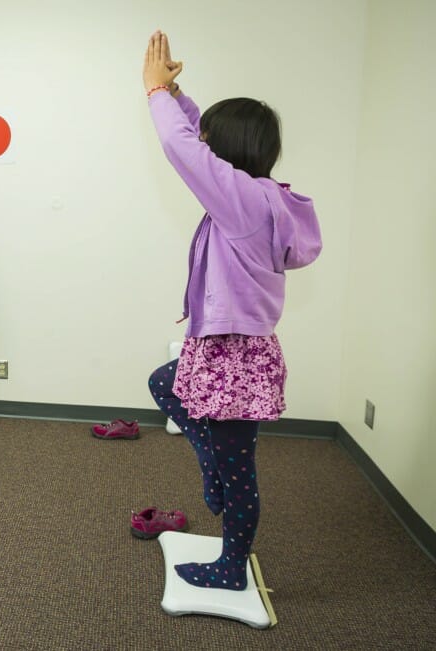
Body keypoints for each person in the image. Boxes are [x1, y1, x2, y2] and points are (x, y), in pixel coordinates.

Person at [142, 31, 322, 590]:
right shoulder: (259, 198)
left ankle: (231, 568)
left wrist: (153, 94)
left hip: (233, 353)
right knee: (163, 381)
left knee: (240, 474)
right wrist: (176, 92)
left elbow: (184, 148)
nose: (203, 147)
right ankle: (209, 463)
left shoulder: (244, 203)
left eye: (210, 142)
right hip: (228, 347)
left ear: (227, 152)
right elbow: (199, 140)